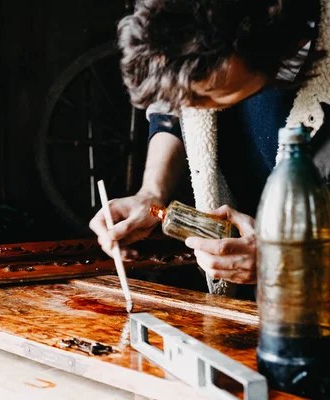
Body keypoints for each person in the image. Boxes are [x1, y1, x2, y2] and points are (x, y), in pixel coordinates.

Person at [89, 0, 330, 297]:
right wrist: (151, 193)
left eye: (197, 96)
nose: (185, 107)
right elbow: (175, 112)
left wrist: (293, 262)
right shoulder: (206, 55)